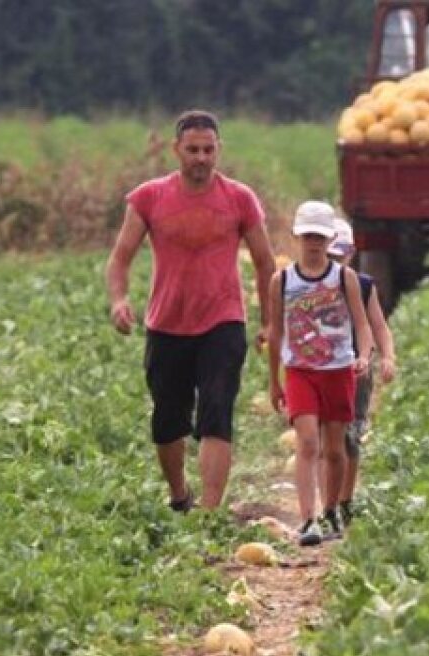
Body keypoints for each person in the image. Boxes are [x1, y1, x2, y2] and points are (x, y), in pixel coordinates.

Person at [106, 109, 276, 513]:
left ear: (219, 150)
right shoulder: (149, 197)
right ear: (176, 150)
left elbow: (266, 261)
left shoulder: (239, 198)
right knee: (167, 421)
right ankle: (180, 495)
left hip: (223, 320)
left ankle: (209, 513)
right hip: (166, 324)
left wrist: (270, 319)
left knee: (216, 412)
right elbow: (120, 258)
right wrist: (119, 299)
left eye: (208, 150)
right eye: (193, 150)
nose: (201, 157)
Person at [267, 201, 373, 546]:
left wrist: (364, 355)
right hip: (300, 371)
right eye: (308, 235)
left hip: (339, 369)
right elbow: (275, 333)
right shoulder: (282, 281)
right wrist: (273, 380)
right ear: (298, 236)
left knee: (335, 449)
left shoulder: (345, 278)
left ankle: (329, 510)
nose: (314, 242)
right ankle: (308, 519)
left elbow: (361, 322)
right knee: (308, 441)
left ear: (330, 240)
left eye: (320, 237)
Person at [324, 218, 397, 527]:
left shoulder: (363, 285)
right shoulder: (305, 285)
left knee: (350, 437)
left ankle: (345, 501)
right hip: (318, 369)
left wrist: (387, 357)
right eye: (331, 257)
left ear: (351, 253)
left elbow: (378, 325)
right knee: (320, 439)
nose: (336, 263)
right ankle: (322, 503)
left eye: (341, 257)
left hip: (355, 371)